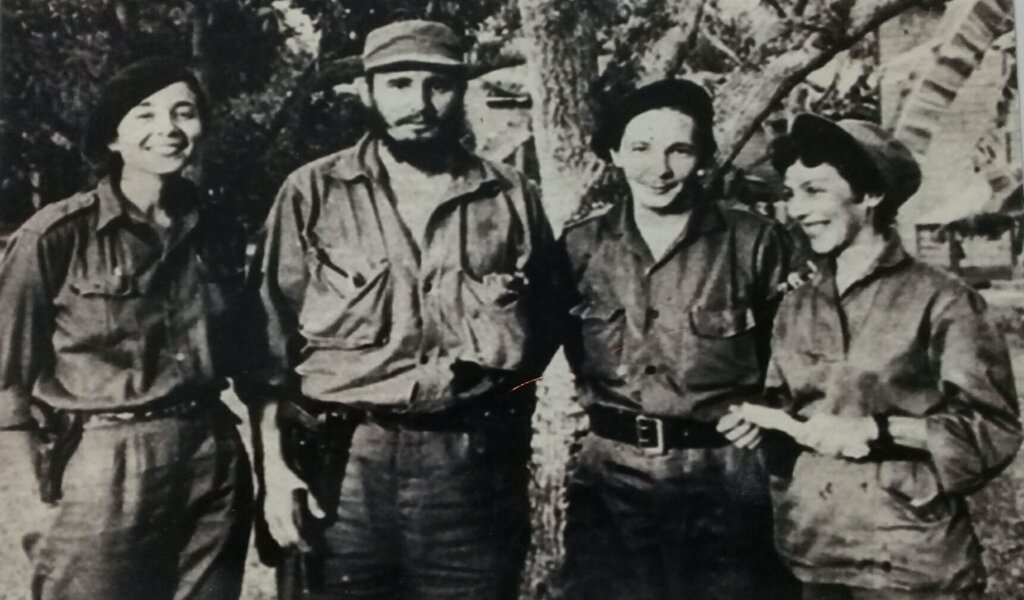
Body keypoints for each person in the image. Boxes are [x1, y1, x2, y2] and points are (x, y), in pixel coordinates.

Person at [248, 19, 562, 600]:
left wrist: (499, 424)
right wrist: (275, 470)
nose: (418, 103)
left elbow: (543, 336)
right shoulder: (312, 193)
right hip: (343, 469)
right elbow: (267, 351)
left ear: (461, 90)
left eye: (437, 85)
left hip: (469, 472)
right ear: (367, 91)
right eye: (397, 84)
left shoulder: (511, 196)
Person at [724, 114, 1022, 599]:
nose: (797, 209)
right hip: (813, 554)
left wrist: (879, 430)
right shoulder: (796, 305)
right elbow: (789, 411)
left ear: (870, 195)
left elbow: (993, 428)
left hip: (911, 562)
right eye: (792, 193)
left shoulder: (942, 300)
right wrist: (764, 423)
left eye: (815, 191)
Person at [0, 56, 253, 600]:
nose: (169, 129)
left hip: (214, 454)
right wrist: (29, 505)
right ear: (113, 138)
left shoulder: (217, 232)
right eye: (145, 115)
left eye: (184, 113)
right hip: (104, 460)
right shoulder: (56, 236)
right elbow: (6, 385)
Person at [559, 78, 798, 600]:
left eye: (679, 150)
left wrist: (771, 410)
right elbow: (535, 343)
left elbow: (806, 355)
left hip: (725, 474)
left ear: (704, 158)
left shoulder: (758, 243)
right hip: (610, 476)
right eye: (641, 148)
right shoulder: (581, 247)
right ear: (614, 154)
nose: (659, 168)